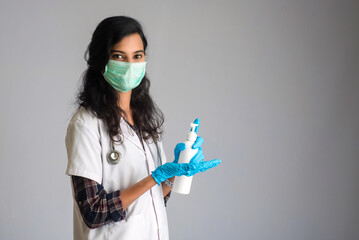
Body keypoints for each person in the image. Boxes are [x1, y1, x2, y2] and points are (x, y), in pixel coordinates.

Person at [65, 16, 221, 240]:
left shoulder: (143, 119)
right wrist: (154, 177)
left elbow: (154, 200)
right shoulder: (86, 123)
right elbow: (92, 212)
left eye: (137, 56)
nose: (130, 65)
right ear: (101, 61)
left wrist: (175, 172)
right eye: (119, 56)